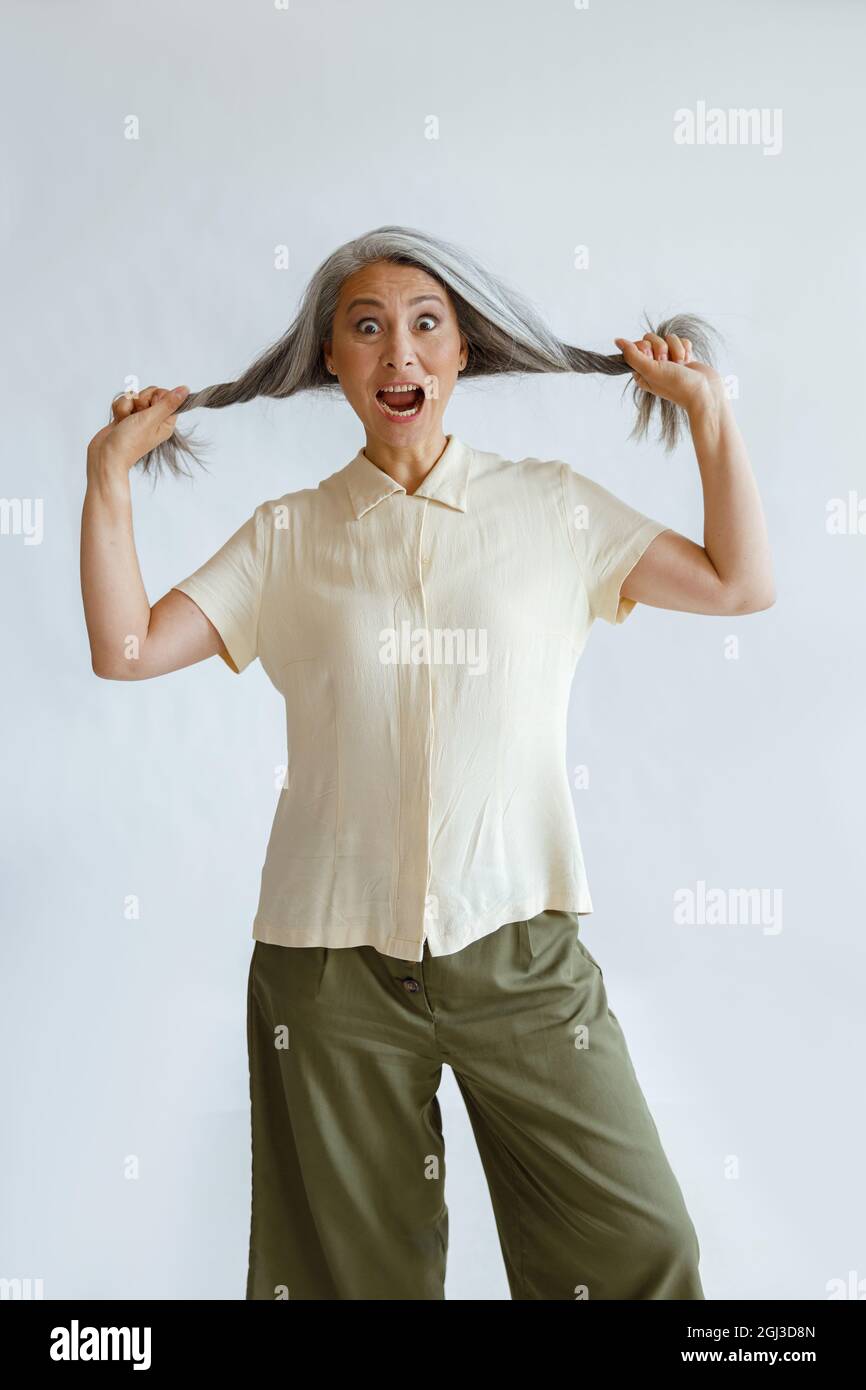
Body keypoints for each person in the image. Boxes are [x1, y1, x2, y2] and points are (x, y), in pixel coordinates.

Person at [80, 226, 774, 1300]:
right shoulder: (286, 535)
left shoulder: (553, 507)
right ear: (333, 364)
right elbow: (126, 652)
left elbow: (737, 583)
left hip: (523, 960)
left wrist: (707, 419)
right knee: (354, 1286)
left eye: (423, 326)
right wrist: (109, 484)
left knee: (643, 1252)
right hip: (325, 968)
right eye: (365, 330)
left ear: (461, 356)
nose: (396, 352)